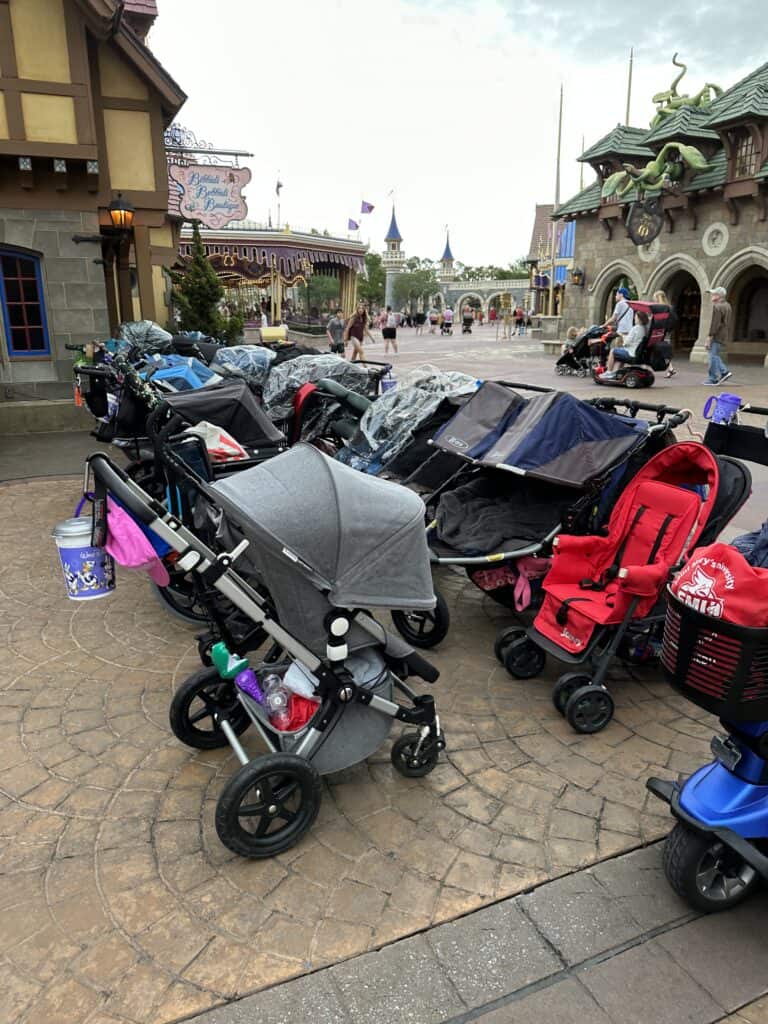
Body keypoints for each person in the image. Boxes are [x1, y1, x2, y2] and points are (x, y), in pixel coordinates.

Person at [602, 310, 649, 378]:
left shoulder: (635, 328)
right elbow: (634, 339)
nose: (634, 319)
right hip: (639, 353)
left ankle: (608, 372)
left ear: (639, 319)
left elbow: (626, 342)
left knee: (613, 351)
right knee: (620, 354)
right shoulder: (645, 329)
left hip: (632, 353)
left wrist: (622, 336)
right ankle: (615, 372)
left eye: (635, 317)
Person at [704, 286, 732, 385]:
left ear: (718, 296)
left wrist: (709, 337)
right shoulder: (727, 305)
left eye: (713, 294)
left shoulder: (717, 307)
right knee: (714, 355)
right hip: (723, 334)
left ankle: (714, 377)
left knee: (712, 356)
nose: (711, 296)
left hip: (717, 335)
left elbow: (715, 324)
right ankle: (724, 372)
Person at [652, 289, 677, 378]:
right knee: (663, 349)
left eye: (655, 298)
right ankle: (670, 368)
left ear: (658, 297)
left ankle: (670, 368)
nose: (654, 300)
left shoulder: (661, 308)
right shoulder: (669, 307)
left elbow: (658, 320)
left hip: (661, 331)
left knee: (661, 349)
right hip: (667, 331)